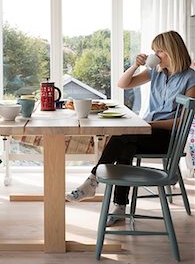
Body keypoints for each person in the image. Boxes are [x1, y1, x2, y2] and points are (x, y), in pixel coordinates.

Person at [66, 30, 195, 226]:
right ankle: (118, 205)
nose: (155, 55)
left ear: (171, 51)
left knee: (124, 136)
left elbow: (181, 122)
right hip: (148, 131)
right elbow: (123, 84)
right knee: (125, 144)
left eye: (158, 51)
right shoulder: (156, 72)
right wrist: (136, 65)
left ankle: (92, 182)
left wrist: (147, 125)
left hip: (168, 137)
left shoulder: (190, 78)